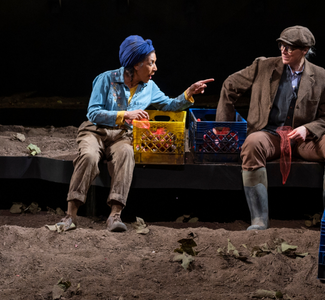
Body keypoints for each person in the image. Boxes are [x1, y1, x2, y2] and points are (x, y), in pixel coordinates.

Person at [58, 35, 213, 232]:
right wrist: (126, 114)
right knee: (88, 156)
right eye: (151, 63)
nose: (155, 68)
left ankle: (115, 215)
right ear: (137, 64)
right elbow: (93, 112)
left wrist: (189, 93)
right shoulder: (106, 79)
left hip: (122, 135)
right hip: (95, 131)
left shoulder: (149, 87)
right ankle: (70, 215)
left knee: (126, 154)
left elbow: (170, 105)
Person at [216, 25, 325, 230]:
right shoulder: (262, 66)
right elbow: (230, 85)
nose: (284, 50)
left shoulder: (323, 77)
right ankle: (259, 220)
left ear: (305, 50)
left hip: (303, 140)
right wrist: (223, 129)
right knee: (252, 144)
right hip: (268, 134)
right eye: (282, 45)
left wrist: (307, 129)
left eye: (290, 47)